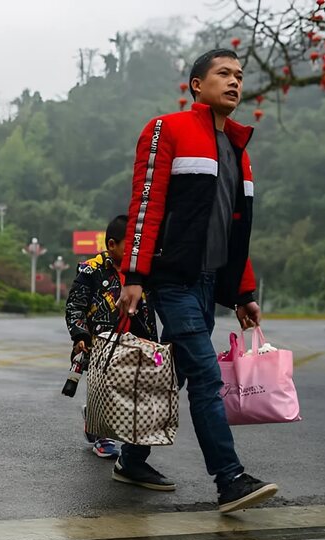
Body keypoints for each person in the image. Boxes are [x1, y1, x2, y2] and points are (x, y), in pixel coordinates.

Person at [116, 49, 279, 513]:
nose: (234, 82)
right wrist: (134, 274)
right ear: (195, 85)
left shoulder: (239, 150)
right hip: (173, 280)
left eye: (239, 76)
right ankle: (229, 479)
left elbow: (235, 232)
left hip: (209, 283)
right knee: (207, 375)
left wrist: (244, 292)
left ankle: (131, 458)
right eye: (223, 74)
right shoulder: (167, 128)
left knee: (177, 374)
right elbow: (145, 205)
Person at [64, 215, 160, 462]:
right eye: (128, 248)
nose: (133, 254)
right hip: (100, 342)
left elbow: (150, 309)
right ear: (111, 245)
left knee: (127, 388)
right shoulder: (91, 271)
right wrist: (80, 334)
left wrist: (153, 340)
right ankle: (101, 435)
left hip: (134, 341)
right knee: (102, 386)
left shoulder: (141, 274)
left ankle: (99, 421)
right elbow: (75, 305)